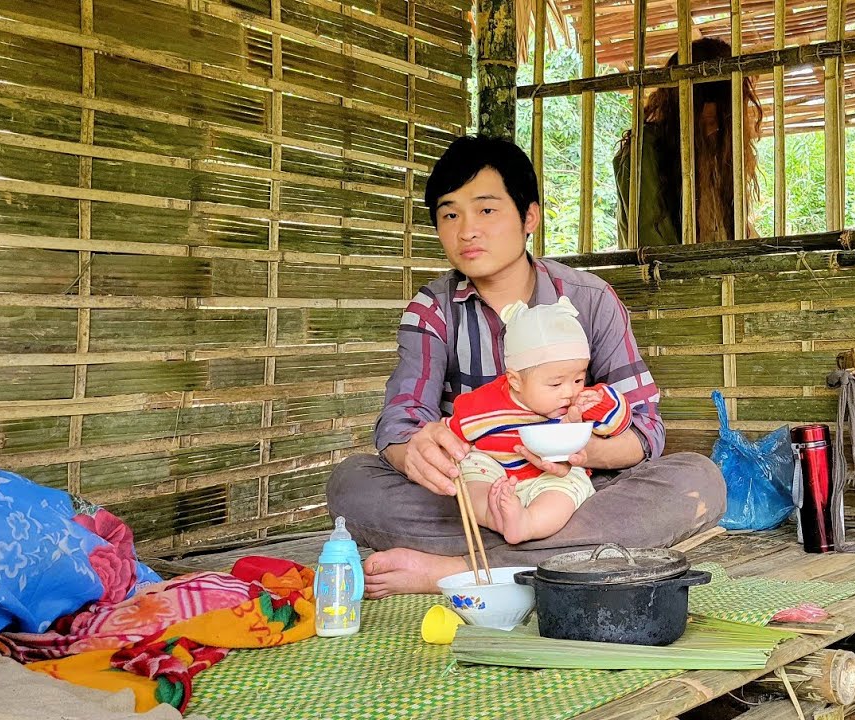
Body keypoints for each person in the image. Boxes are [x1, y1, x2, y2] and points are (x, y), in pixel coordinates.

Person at [326, 134, 726, 598]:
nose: (467, 230)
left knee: (698, 480)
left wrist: (582, 454)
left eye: (487, 210)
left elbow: (645, 431)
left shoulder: (589, 299)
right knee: (351, 483)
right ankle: (557, 561)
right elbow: (401, 422)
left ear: (529, 216)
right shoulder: (433, 309)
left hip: (574, 494)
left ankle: (454, 570)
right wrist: (415, 451)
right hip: (474, 489)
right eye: (449, 214)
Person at [447, 297, 632, 545]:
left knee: (569, 485)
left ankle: (528, 524)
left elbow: (618, 424)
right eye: (556, 383)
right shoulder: (481, 406)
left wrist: (599, 403)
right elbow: (451, 436)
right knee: (470, 471)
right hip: (497, 475)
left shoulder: (580, 402)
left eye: (577, 379)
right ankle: (494, 517)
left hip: (552, 477)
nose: (569, 391)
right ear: (514, 381)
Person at [613, 36, 764, 248]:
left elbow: (730, 232)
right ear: (681, 109)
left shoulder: (719, 155)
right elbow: (652, 247)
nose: (712, 130)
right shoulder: (643, 151)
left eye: (720, 124)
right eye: (707, 122)